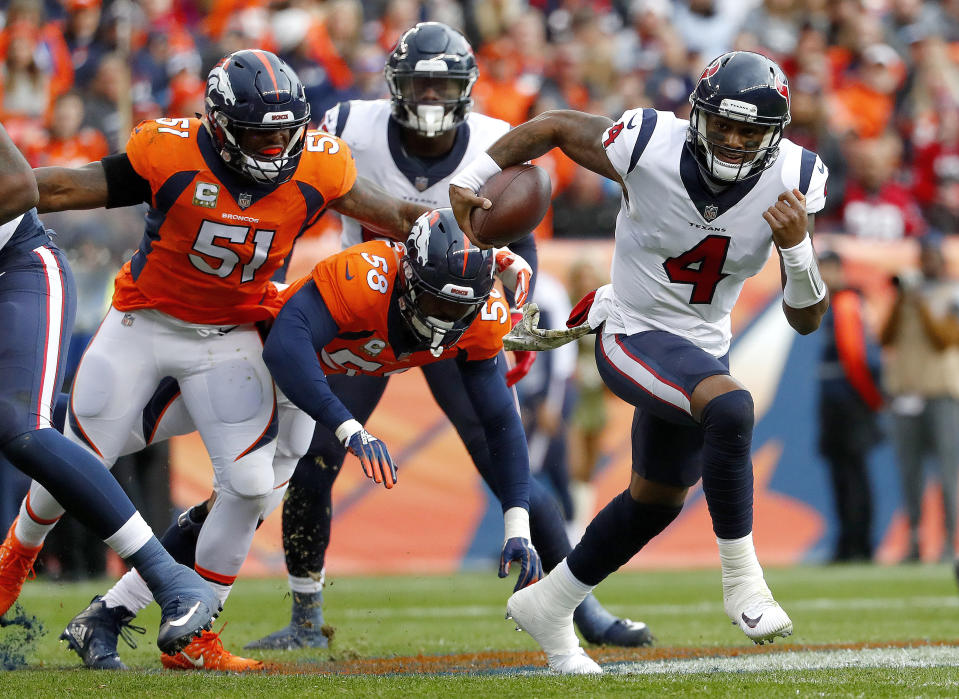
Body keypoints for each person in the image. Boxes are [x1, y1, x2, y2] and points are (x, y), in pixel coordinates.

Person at [0, 49, 427, 671]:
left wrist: (446, 224)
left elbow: (385, 213)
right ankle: (15, 558)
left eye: (287, 131)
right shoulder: (170, 150)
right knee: (78, 456)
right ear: (221, 126)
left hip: (230, 333)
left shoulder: (320, 165)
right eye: (261, 131)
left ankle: (193, 641)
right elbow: (64, 187)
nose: (277, 144)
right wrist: (17, 192)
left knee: (253, 485)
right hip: (143, 322)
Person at [245, 22, 650, 652]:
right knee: (317, 457)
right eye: (421, 81)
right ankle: (305, 619)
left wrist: (508, 318)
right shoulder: (348, 123)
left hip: (457, 323)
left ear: (466, 88)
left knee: (507, 459)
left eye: (444, 83)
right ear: (395, 84)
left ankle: (581, 606)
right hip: (367, 314)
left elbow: (521, 245)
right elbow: (294, 194)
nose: (431, 95)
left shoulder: (492, 142)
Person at [451, 50, 830, 673]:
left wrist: (797, 252)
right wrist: (469, 177)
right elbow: (551, 126)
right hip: (630, 330)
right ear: (698, 117)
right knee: (731, 406)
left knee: (655, 500)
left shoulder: (794, 178)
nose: (734, 141)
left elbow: (806, 318)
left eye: (750, 131)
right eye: (724, 125)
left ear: (774, 134)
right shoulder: (648, 143)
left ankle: (550, 602)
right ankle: (744, 582)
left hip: (702, 346)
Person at [55, 209, 544, 670]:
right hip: (250, 354)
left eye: (458, 306)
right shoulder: (366, 273)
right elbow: (288, 343)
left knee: (248, 500)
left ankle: (118, 618)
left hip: (300, 386)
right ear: (410, 276)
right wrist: (348, 426)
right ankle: (44, 424)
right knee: (125, 444)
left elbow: (499, 419)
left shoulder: (482, 320)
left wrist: (517, 522)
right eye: (436, 299)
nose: (443, 318)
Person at [0, 120, 218, 656]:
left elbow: (18, 186)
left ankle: (168, 577)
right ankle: (89, 424)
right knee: (45, 419)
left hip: (15, 269)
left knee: (18, 425)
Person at [879, 233, 959, 563]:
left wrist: (922, 304)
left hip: (941, 394)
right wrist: (902, 301)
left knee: (947, 472)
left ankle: (949, 544)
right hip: (906, 394)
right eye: (922, 255)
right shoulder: (907, 296)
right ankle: (913, 542)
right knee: (909, 472)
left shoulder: (952, 293)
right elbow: (886, 337)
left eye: (931, 256)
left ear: (941, 259)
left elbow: (944, 340)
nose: (926, 262)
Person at [816, 250, 884, 562]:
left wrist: (872, 401)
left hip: (849, 404)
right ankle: (848, 542)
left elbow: (855, 358)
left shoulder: (845, 302)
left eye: (827, 269)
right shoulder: (838, 303)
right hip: (837, 403)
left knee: (853, 475)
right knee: (843, 475)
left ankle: (859, 544)